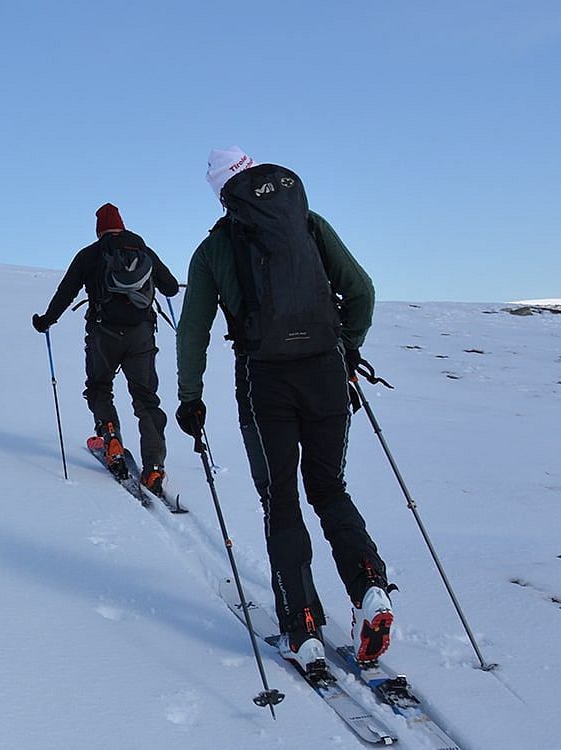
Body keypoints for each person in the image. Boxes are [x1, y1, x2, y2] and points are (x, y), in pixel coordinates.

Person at [173, 146, 394, 671]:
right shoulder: (309, 225)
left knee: (280, 498)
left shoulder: (214, 251)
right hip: (325, 375)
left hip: (262, 382)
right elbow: (360, 290)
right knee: (329, 488)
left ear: (221, 192)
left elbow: (193, 331)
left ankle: (302, 626)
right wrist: (349, 346)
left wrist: (190, 397)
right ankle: (370, 589)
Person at [32, 203, 180, 499]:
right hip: (141, 336)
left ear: (99, 229)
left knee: (100, 387)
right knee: (146, 399)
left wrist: (46, 321)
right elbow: (172, 288)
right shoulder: (143, 250)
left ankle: (110, 437)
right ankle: (153, 467)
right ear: (122, 226)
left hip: (103, 335)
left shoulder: (89, 254)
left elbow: (66, 291)